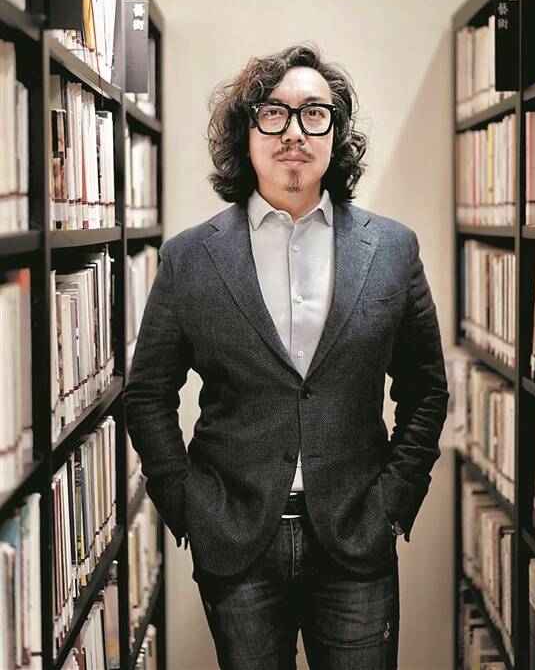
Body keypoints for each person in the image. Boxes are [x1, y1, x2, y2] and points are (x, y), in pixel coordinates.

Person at [122, 42, 450, 670]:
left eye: (314, 113)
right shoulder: (190, 257)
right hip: (236, 538)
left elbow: (425, 388)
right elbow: (147, 395)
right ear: (245, 134)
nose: (294, 132)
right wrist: (188, 505)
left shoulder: (393, 249)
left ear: (336, 133)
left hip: (356, 535)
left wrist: (394, 502)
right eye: (273, 113)